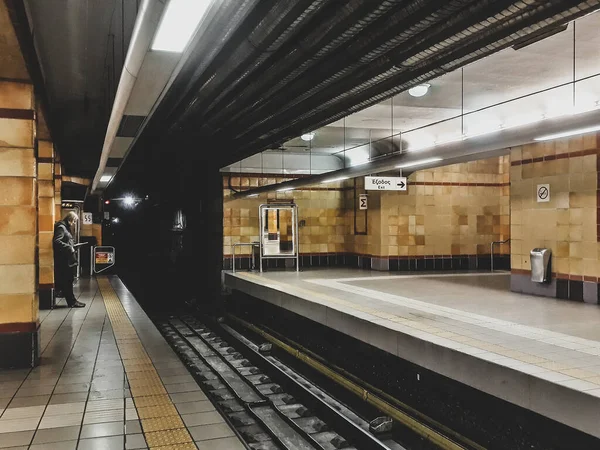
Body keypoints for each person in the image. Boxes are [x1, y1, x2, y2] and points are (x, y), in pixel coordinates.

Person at [53, 212, 85, 308]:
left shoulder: (65, 227)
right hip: (64, 260)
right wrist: (69, 247)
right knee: (68, 280)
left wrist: (73, 246)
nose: (74, 223)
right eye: (74, 221)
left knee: (68, 280)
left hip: (66, 259)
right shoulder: (61, 228)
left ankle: (71, 300)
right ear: (70, 219)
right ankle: (72, 302)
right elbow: (57, 241)